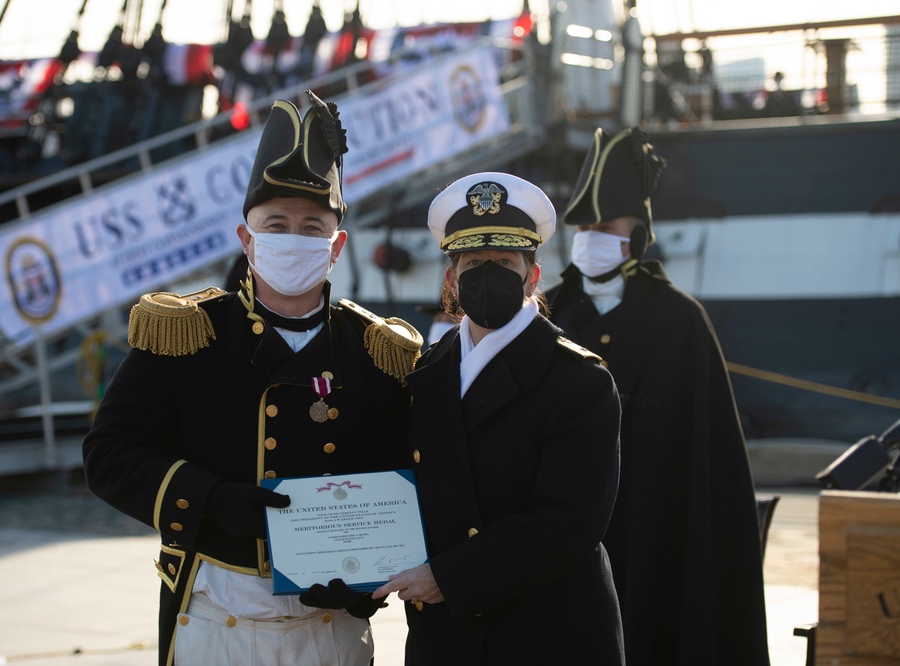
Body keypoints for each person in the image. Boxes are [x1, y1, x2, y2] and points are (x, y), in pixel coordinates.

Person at [82, 90, 422, 666]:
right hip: (219, 614)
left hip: (331, 627)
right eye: (276, 224)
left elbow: (404, 474)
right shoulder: (187, 334)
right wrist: (212, 501)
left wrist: (372, 580)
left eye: (312, 227)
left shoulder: (376, 352)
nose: (294, 238)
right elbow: (110, 455)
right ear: (247, 239)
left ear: (337, 246)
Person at [372, 172, 625, 664]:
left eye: (505, 262)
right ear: (451, 279)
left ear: (532, 276)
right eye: (473, 262)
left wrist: (449, 577)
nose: (489, 274)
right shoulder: (429, 367)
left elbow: (568, 523)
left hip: (546, 633)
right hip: (447, 637)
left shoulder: (580, 381)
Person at [544, 127, 770, 665]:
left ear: (637, 234)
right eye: (585, 227)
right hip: (568, 529)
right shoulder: (549, 314)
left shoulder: (680, 320)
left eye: (606, 226)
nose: (591, 236)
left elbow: (709, 454)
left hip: (658, 524)